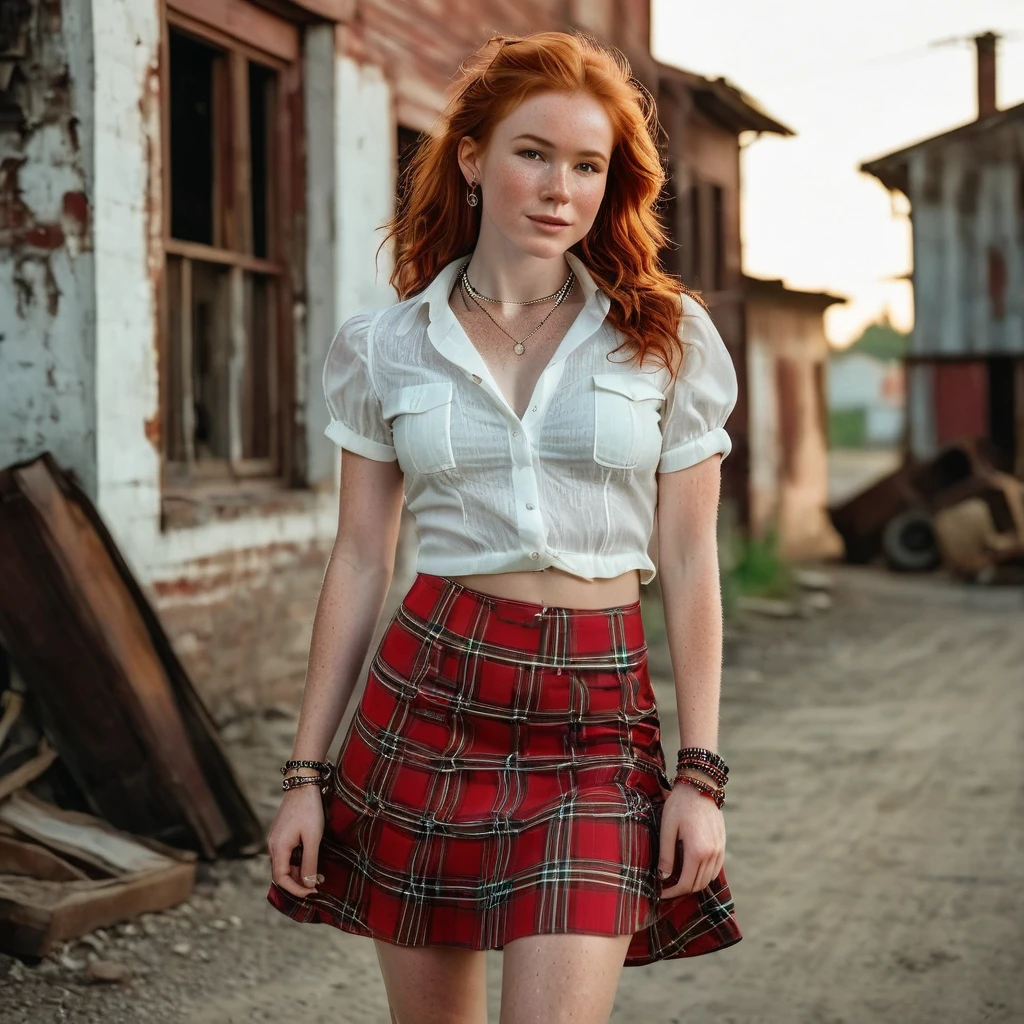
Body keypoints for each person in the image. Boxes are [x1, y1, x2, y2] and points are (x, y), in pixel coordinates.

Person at [266, 29, 741, 1024]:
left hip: (595, 717)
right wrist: (305, 774)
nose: (559, 188)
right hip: (429, 694)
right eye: (533, 153)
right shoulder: (384, 347)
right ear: (473, 157)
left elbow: (692, 559)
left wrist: (698, 773)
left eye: (587, 165)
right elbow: (360, 560)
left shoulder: (666, 336)